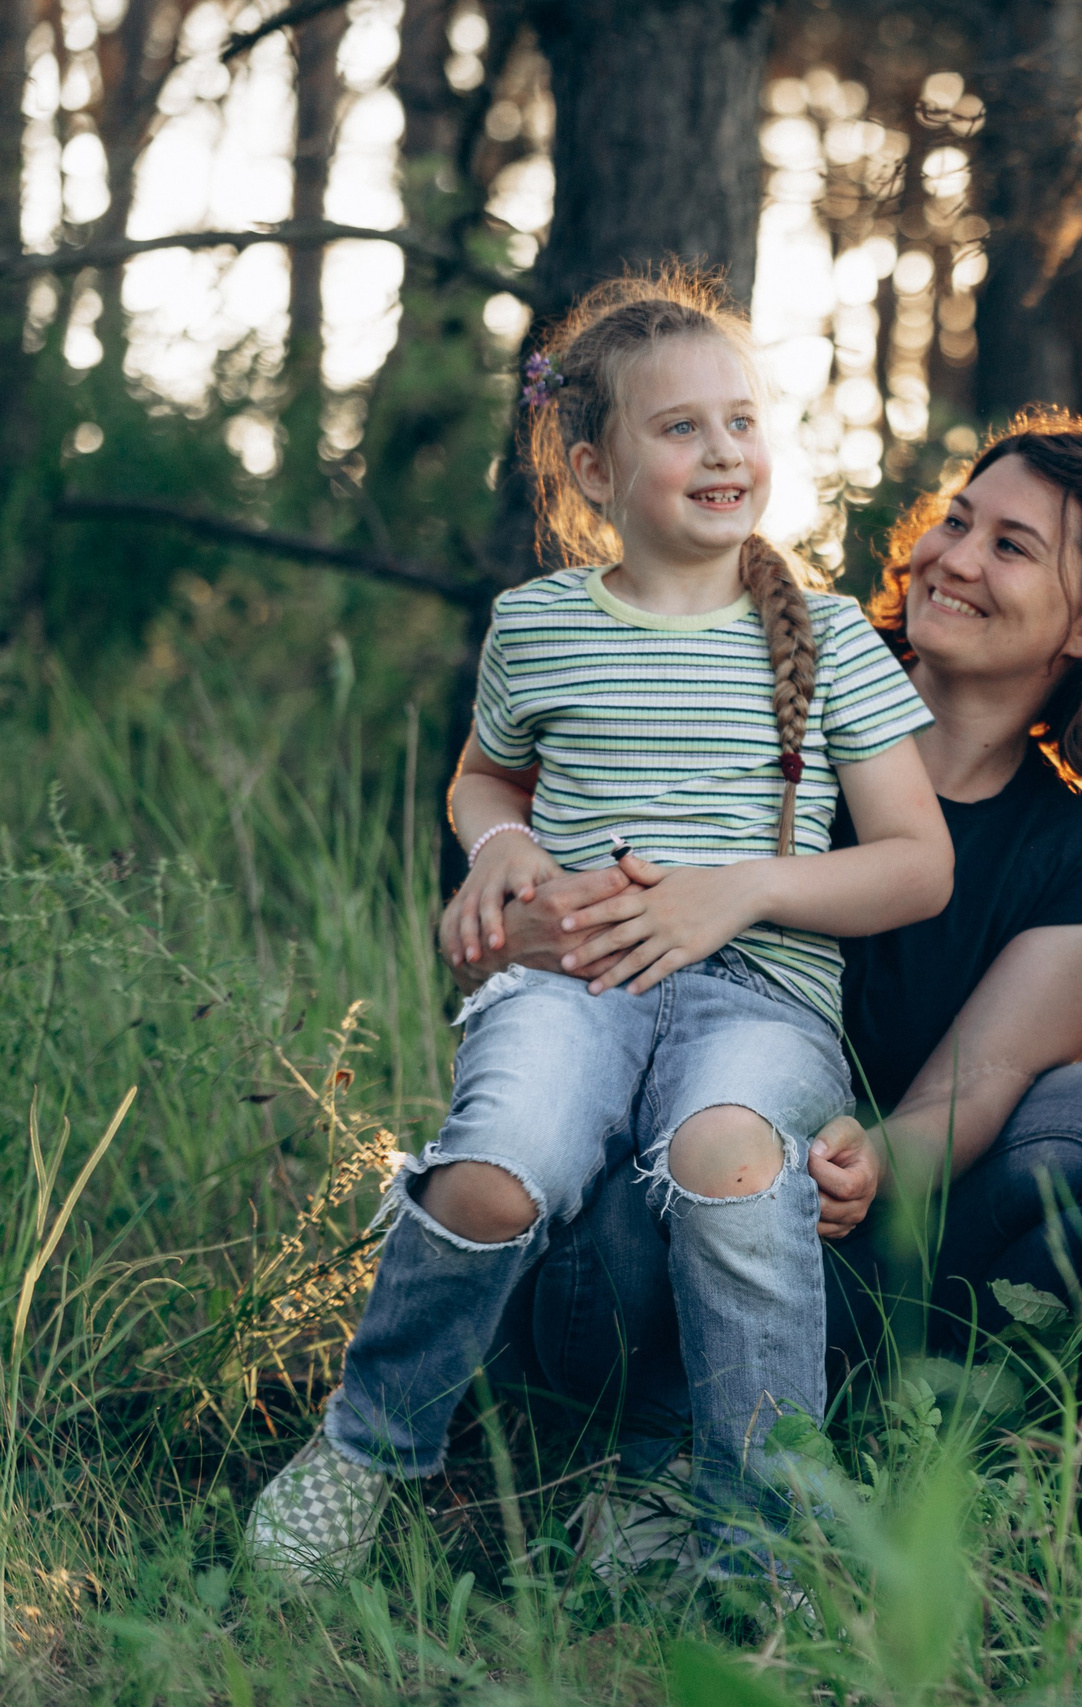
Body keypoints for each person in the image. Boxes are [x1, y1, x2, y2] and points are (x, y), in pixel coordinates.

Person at [245, 274, 954, 1582]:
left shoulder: (838, 636)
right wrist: (503, 849)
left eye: (742, 419)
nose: (725, 449)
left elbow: (918, 865)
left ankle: (750, 1534)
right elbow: (484, 777)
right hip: (568, 979)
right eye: (681, 427)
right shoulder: (540, 623)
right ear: (594, 463)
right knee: (497, 1162)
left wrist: (737, 886)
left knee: (732, 1153)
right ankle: (369, 1442)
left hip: (760, 991)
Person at [434, 411, 1082, 1568]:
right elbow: (545, 912)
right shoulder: (743, 715)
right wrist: (523, 911)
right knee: (640, 1208)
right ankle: (605, 1441)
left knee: (1044, 1162)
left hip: (834, 1247)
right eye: (956, 520)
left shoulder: (1079, 862)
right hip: (625, 1218)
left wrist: (875, 1160)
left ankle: (756, 1475)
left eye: (1011, 546)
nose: (953, 558)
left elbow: (982, 1083)